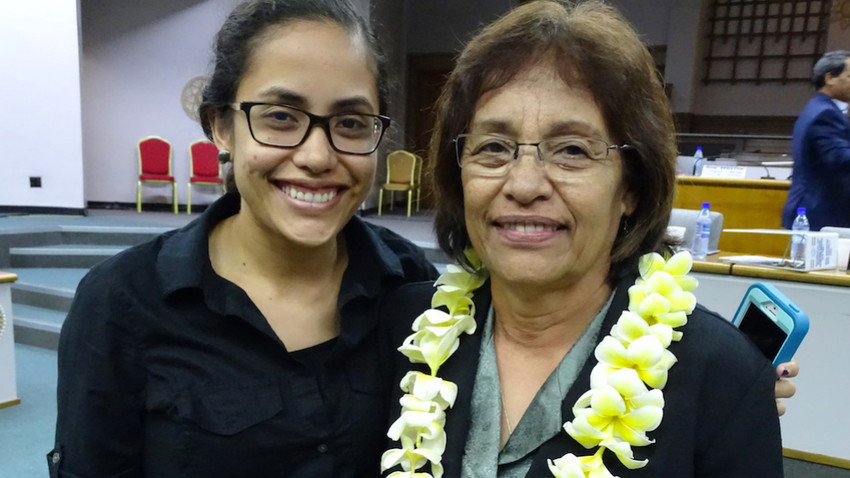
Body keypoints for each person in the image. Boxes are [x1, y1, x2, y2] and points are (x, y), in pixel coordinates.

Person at [380, 2, 787, 477]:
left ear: (631, 188)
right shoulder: (404, 330)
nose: (524, 185)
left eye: (571, 150)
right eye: (493, 147)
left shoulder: (722, 377)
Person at [50, 1, 436, 477]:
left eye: (351, 123)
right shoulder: (123, 302)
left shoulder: (408, 283)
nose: (317, 156)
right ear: (220, 125)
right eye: (280, 117)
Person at [782, 50, 850, 229]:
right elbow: (840, 158)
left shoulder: (818, 108)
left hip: (819, 209)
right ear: (830, 78)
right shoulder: (826, 113)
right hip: (820, 212)